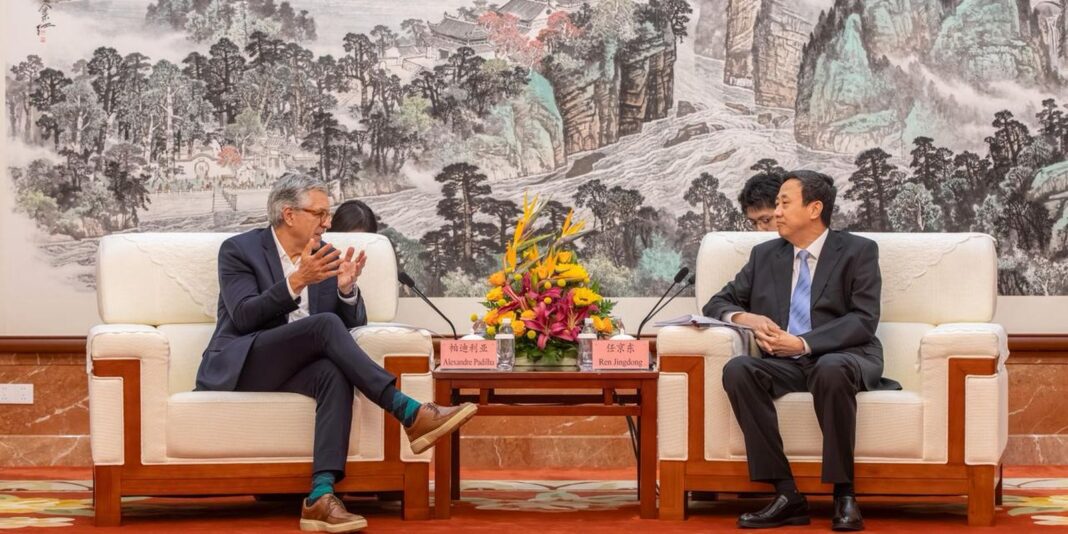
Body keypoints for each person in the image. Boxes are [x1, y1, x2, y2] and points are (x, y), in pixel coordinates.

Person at [196, 173, 476, 533]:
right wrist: (297, 280)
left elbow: (350, 329)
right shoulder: (239, 250)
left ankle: (321, 494)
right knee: (324, 325)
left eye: (327, 214)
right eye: (320, 213)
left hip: (296, 365)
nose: (328, 222)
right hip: (244, 362)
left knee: (333, 371)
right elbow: (244, 315)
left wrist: (347, 290)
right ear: (289, 214)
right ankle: (407, 410)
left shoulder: (324, 256)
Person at [704, 170, 900, 531]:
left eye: (784, 203)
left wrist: (804, 343)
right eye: (776, 204)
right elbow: (717, 303)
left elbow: (863, 320)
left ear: (814, 209)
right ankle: (786, 494)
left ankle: (844, 494)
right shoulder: (765, 255)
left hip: (845, 357)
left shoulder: (857, 251)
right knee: (739, 369)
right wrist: (747, 318)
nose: (776, 212)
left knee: (830, 368)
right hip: (788, 363)